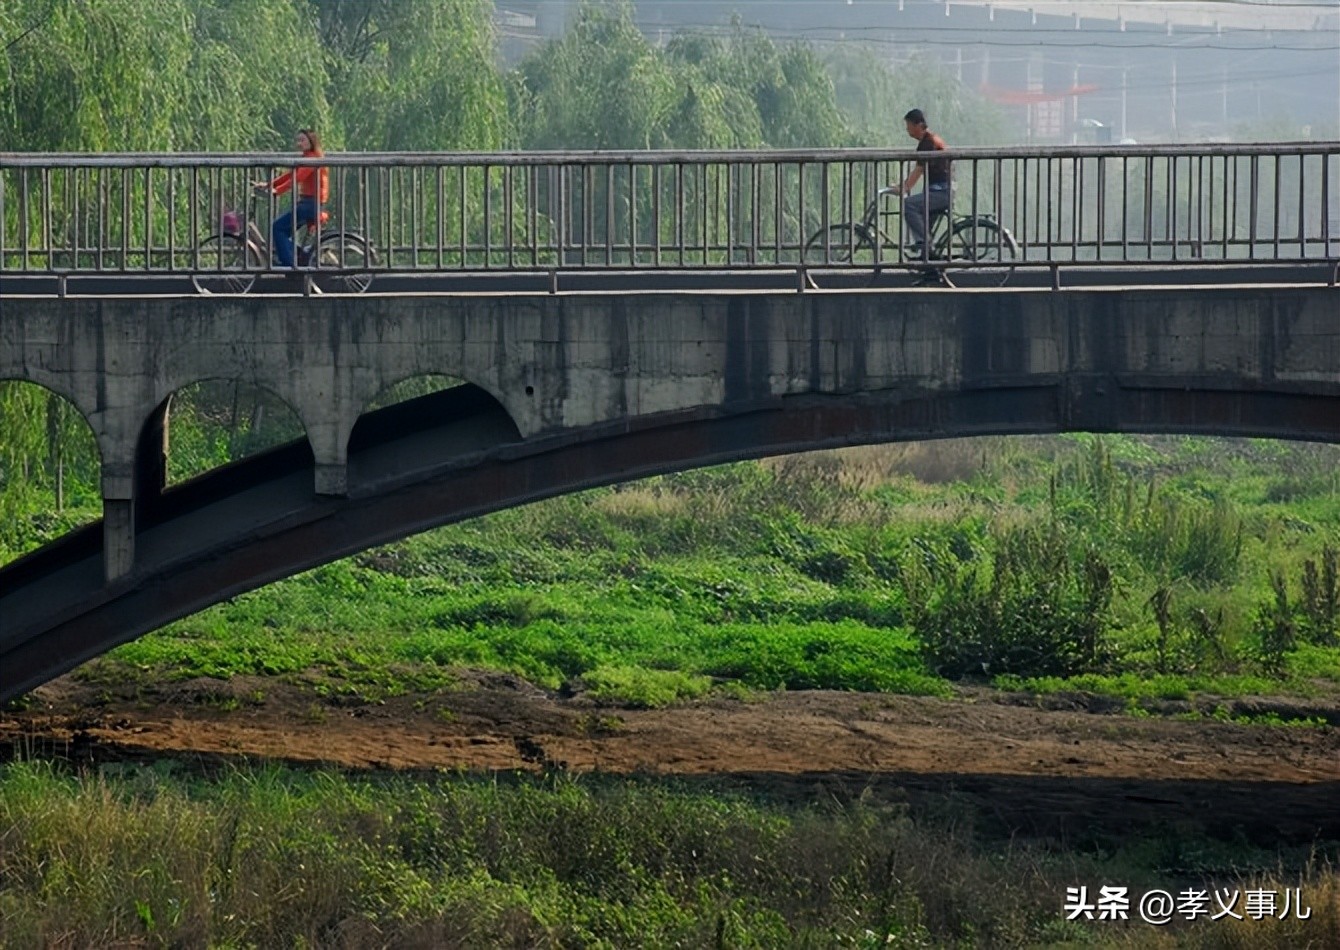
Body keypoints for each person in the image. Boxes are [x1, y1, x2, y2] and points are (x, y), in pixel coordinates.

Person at [885, 109, 951, 282]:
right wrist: (904, 186)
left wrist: (904, 188)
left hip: (941, 191)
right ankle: (930, 272)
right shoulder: (929, 140)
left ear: (918, 125)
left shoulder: (928, 143)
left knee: (909, 205)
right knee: (923, 224)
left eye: (909, 126)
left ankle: (924, 243)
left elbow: (919, 170)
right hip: (939, 190)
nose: (907, 130)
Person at [254, 129, 329, 268]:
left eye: (303, 140)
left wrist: (278, 191)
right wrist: (269, 185)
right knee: (282, 233)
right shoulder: (307, 157)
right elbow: (291, 175)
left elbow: (297, 178)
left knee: (277, 228)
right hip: (309, 202)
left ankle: (289, 265)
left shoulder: (312, 159)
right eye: (298, 140)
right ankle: (302, 255)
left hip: (310, 204)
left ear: (311, 141)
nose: (299, 143)